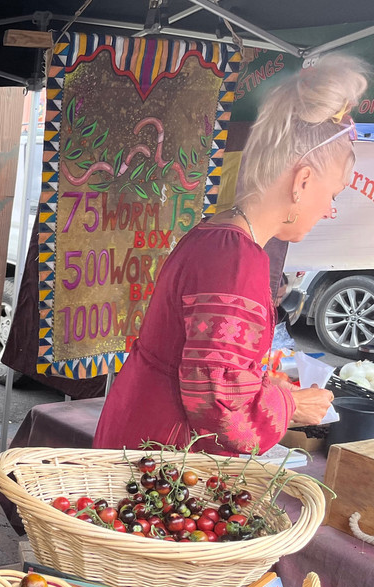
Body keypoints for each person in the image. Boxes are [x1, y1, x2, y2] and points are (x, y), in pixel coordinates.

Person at [95, 54, 368, 455]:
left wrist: (262, 386)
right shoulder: (236, 262)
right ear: (302, 181)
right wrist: (291, 404)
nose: (330, 210)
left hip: (145, 427)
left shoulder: (218, 233)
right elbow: (219, 408)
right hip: (164, 454)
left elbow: (209, 370)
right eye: (332, 195)